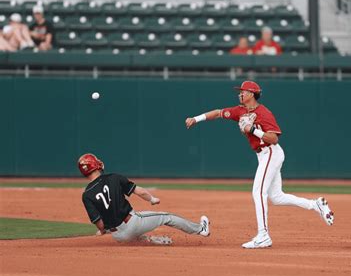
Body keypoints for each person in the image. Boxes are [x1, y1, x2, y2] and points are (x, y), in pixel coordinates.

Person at [185, 81, 334, 249]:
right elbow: (218, 113)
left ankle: (263, 235)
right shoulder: (240, 111)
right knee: (277, 197)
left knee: (258, 192)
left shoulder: (264, 113)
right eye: (240, 92)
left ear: (251, 94)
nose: (239, 94)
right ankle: (315, 205)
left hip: (270, 151)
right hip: (263, 155)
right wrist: (196, 119)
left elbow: (274, 138)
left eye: (242, 91)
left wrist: (253, 130)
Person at [78, 153, 210, 245]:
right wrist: (152, 199)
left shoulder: (87, 194)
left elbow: (99, 223)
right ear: (95, 164)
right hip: (133, 223)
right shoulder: (113, 178)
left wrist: (102, 231)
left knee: (134, 236)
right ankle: (200, 229)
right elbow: (139, 191)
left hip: (118, 236)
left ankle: (154, 242)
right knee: (167, 216)